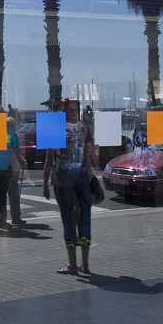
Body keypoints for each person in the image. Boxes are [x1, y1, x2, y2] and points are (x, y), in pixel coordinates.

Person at [41, 118, 97, 275]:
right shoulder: (83, 127)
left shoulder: (53, 126)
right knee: (83, 219)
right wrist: (91, 173)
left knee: (68, 221)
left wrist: (45, 186)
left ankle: (73, 265)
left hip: (63, 181)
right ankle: (84, 264)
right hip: (81, 179)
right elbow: (89, 153)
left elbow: (48, 161)